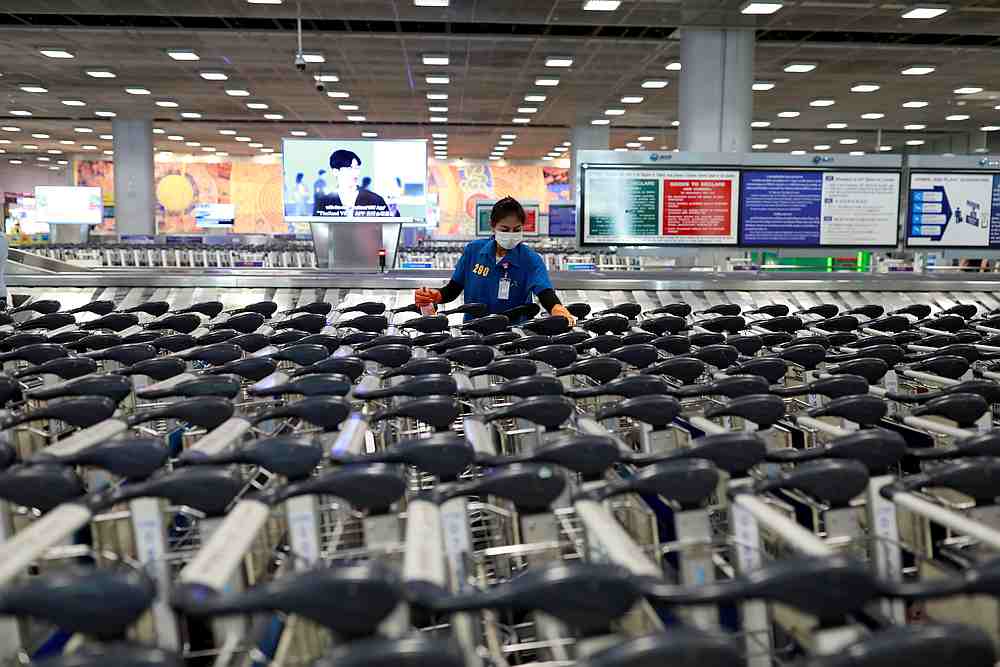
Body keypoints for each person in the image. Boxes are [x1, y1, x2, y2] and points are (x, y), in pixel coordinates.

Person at [414, 196, 576, 325]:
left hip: (513, 334)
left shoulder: (530, 260)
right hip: (474, 331)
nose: (511, 234)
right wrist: (435, 296)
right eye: (505, 229)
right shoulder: (474, 251)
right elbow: (453, 289)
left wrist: (557, 308)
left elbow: (545, 292)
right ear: (493, 226)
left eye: (517, 230)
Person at [312, 150, 397, 217]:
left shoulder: (374, 199)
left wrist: (393, 212)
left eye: (357, 168)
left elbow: (389, 226)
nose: (355, 173)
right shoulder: (324, 202)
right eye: (350, 168)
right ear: (335, 171)